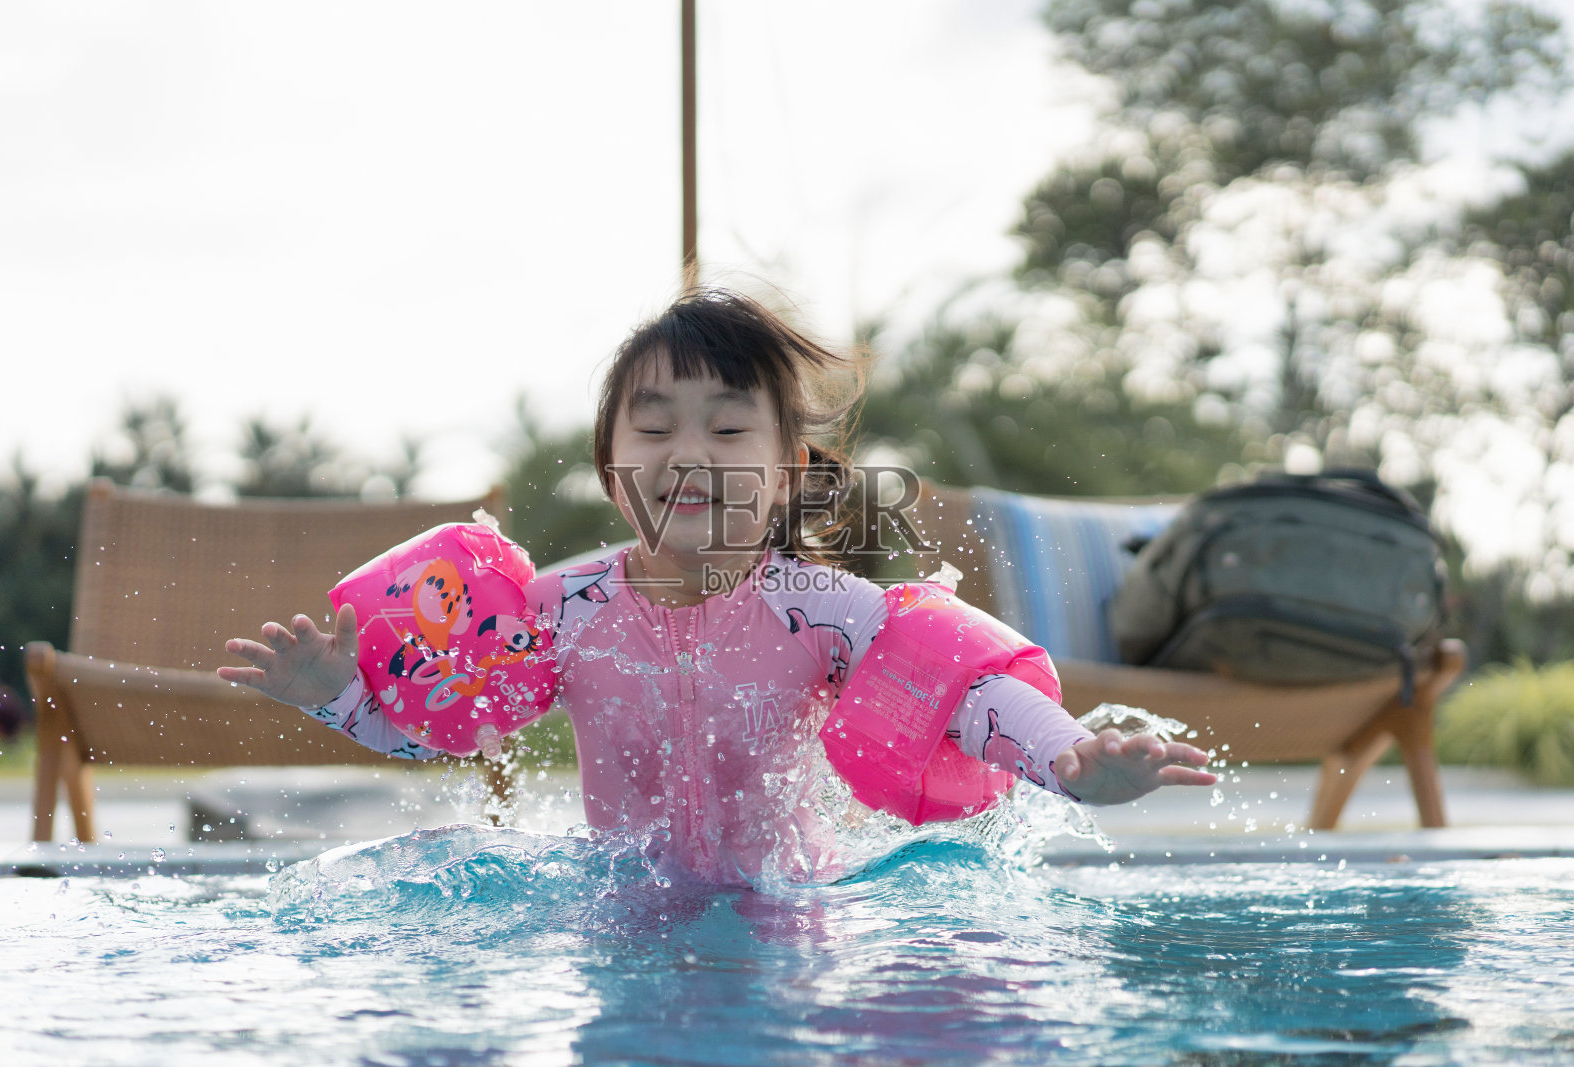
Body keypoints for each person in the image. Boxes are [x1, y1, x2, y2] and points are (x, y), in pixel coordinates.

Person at [220, 288, 1216, 886]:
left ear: (788, 471)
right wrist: (338, 696)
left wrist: (1072, 758)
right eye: (653, 428)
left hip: (788, 918)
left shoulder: (828, 610)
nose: (688, 453)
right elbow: (453, 721)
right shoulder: (558, 612)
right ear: (612, 471)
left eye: (728, 428)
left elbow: (971, 693)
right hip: (620, 929)